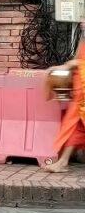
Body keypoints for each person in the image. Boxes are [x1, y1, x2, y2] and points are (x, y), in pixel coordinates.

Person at [42, 27, 85, 173]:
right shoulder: (83, 38)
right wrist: (62, 68)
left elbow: (76, 63)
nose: (82, 22)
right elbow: (77, 61)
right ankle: (63, 162)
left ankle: (63, 162)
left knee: (73, 125)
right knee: (75, 127)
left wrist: (69, 66)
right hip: (80, 91)